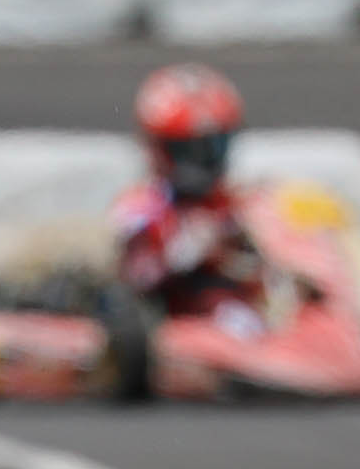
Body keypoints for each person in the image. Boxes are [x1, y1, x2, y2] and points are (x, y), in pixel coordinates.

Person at [112, 63, 267, 339]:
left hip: (241, 316)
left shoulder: (234, 201)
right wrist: (189, 251)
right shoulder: (142, 206)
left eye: (215, 146)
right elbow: (136, 275)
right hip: (174, 322)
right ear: (158, 147)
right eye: (190, 150)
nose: (205, 160)